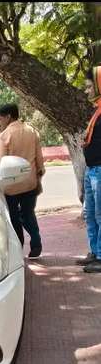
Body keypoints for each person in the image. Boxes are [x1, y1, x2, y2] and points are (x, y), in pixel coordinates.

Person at [0, 102, 45, 258]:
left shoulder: (4, 136)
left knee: (13, 217)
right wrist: (37, 177)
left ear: (9, 117)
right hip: (30, 183)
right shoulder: (32, 131)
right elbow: (40, 162)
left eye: (0, 119)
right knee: (28, 214)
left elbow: (1, 163)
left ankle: (18, 249)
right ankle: (36, 245)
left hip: (11, 185)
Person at [78, 67, 101, 272]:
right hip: (92, 170)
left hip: (100, 171)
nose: (86, 91)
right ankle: (95, 252)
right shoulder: (97, 111)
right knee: (90, 214)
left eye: (88, 87)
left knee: (100, 215)